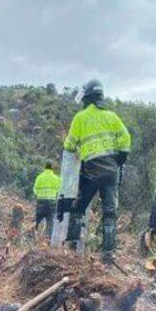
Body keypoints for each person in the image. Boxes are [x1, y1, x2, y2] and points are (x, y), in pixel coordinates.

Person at [61, 79, 131, 261]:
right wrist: (117, 162)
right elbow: (125, 142)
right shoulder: (112, 117)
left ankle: (72, 246)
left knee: (78, 208)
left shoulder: (80, 118)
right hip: (111, 170)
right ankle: (108, 253)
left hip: (91, 170)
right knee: (110, 212)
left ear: (87, 97)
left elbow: (68, 145)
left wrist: (78, 151)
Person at [32, 162, 61, 240]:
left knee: (37, 219)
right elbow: (59, 190)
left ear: (45, 167)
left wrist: (38, 195)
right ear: (52, 168)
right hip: (52, 202)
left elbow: (35, 190)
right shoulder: (57, 178)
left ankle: (31, 234)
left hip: (41, 201)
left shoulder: (39, 177)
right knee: (50, 221)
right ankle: (49, 238)